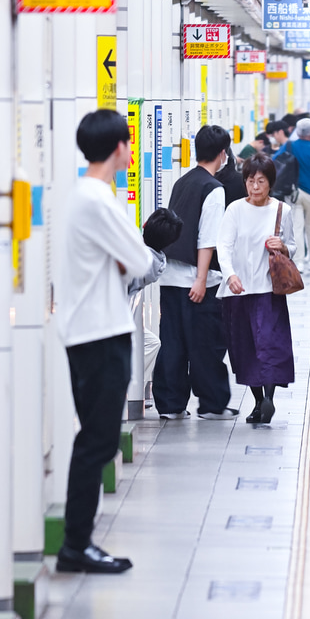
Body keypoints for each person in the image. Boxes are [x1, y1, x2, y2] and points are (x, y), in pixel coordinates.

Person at [57, 109, 154, 574]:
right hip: (99, 334)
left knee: (94, 439)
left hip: (93, 331)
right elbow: (139, 258)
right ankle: (76, 545)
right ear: (118, 147)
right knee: (96, 441)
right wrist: (123, 257)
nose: (131, 150)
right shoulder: (97, 199)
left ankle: (79, 542)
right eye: (128, 142)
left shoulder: (84, 196)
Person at [154, 125, 237, 421]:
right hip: (195, 280)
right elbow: (207, 239)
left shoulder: (182, 181)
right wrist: (201, 279)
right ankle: (213, 404)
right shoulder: (214, 189)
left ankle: (171, 404)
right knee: (205, 342)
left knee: (173, 341)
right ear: (222, 153)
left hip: (170, 276)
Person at [216, 154, 297, 425]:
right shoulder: (235, 210)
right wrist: (230, 276)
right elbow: (223, 246)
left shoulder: (282, 211)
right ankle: (257, 401)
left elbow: (293, 246)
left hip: (268, 290)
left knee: (270, 345)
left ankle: (268, 399)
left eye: (261, 181)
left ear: (270, 183)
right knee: (245, 347)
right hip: (238, 291)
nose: (255, 187)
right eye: (250, 181)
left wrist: (283, 247)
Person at [127, 207, 184, 407]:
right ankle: (133, 388)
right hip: (122, 314)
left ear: (144, 225)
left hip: (110, 316)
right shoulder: (157, 262)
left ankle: (127, 390)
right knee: (151, 343)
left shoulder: (132, 250)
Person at [275, 119, 310, 273]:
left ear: (298, 132)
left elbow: (275, 160)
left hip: (294, 192)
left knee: (297, 227)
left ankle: (299, 261)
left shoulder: (290, 146)